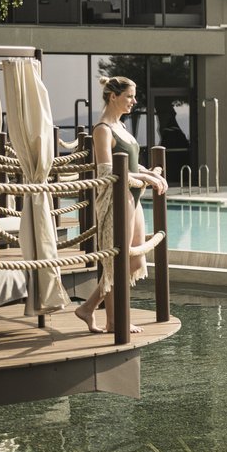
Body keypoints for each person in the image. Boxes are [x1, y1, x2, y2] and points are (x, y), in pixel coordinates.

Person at [72, 75, 168, 335]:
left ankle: (89, 307)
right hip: (116, 198)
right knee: (118, 261)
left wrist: (151, 172)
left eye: (134, 97)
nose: (134, 102)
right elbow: (106, 170)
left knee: (135, 262)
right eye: (129, 96)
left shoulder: (122, 126)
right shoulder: (102, 129)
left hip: (132, 197)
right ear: (113, 96)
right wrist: (146, 177)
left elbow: (129, 164)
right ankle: (114, 321)